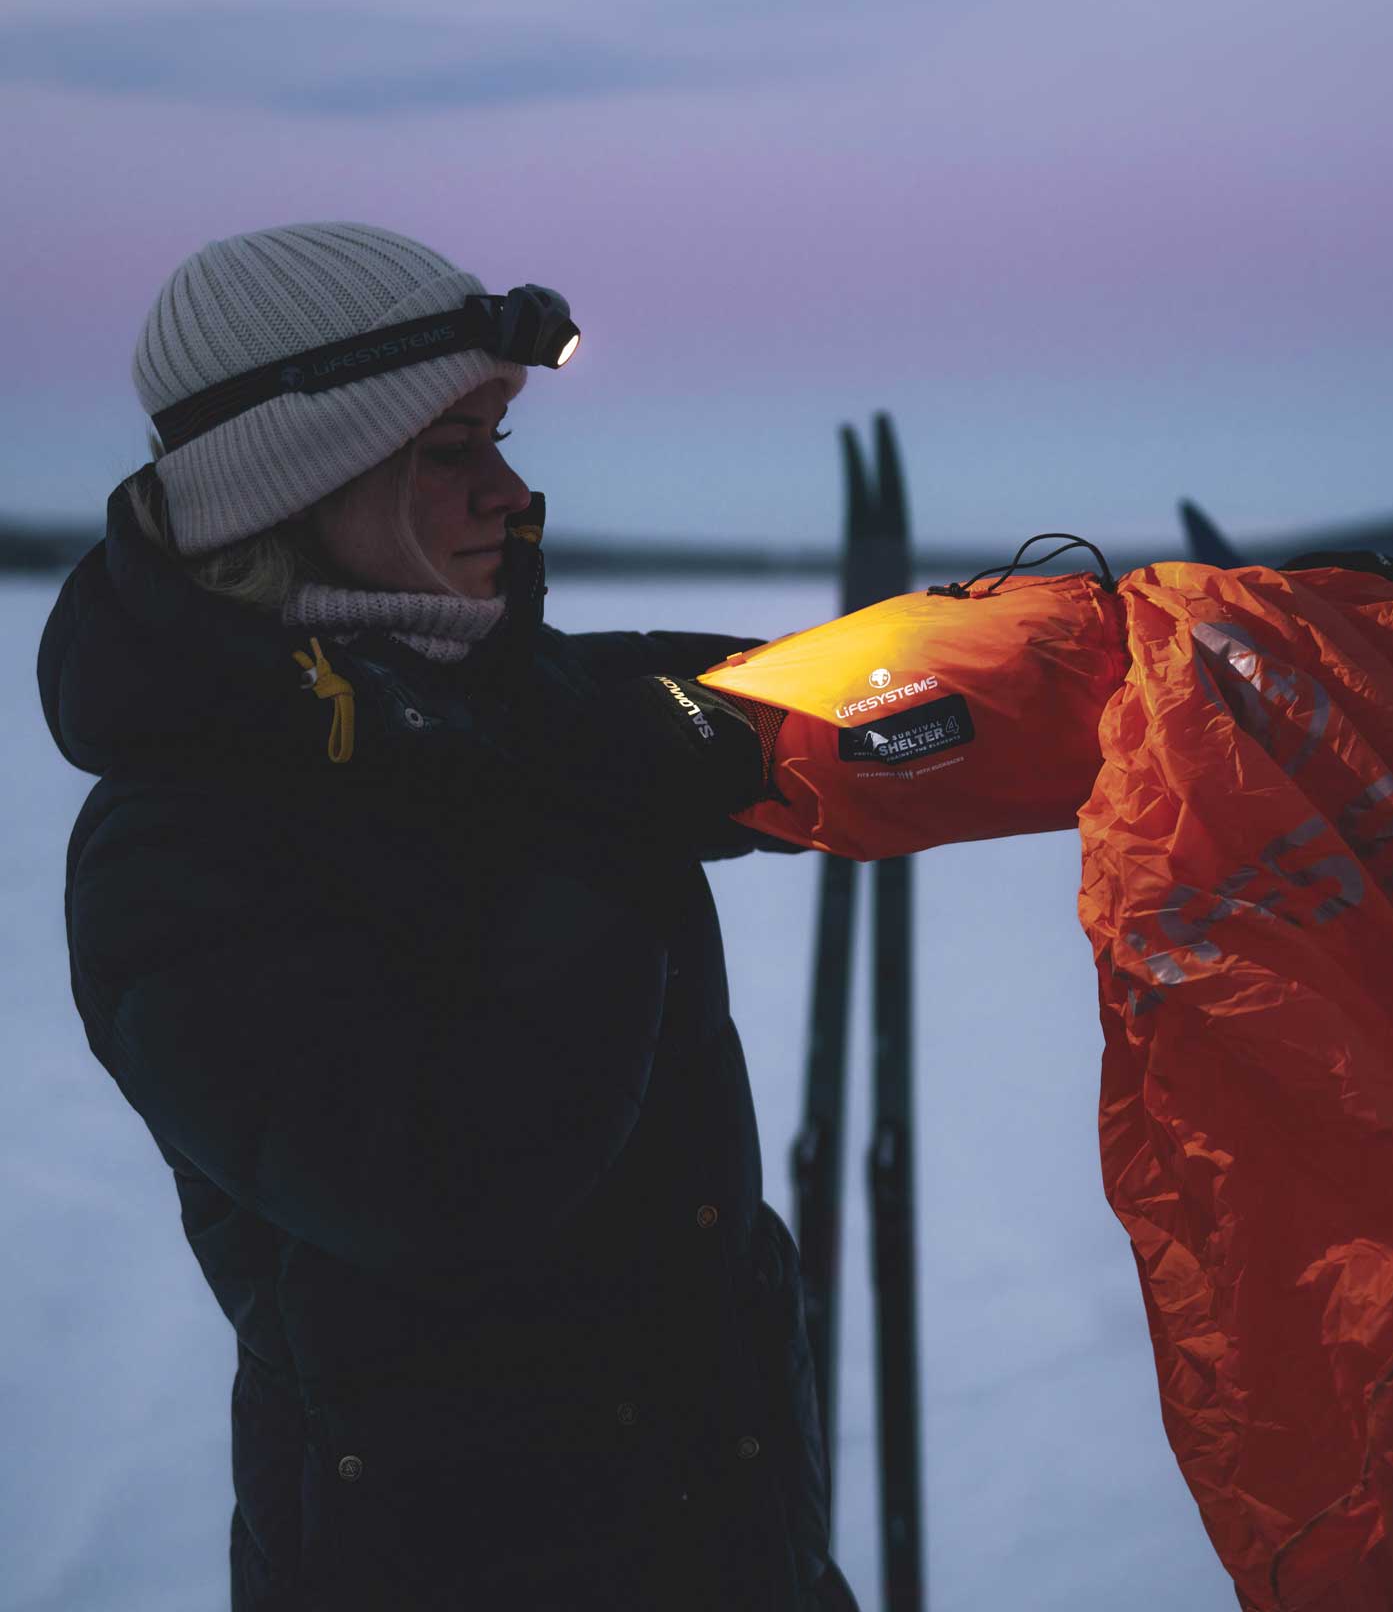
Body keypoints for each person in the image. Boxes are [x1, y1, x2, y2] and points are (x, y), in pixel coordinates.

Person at [37, 222, 857, 1612]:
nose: (512, 493)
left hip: (731, 1538)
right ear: (293, 484)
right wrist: (598, 817)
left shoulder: (518, 705)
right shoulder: (177, 847)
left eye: (504, 436)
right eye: (451, 447)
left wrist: (1112, 662)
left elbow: (838, 712)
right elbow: (442, 1182)